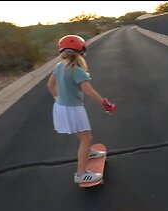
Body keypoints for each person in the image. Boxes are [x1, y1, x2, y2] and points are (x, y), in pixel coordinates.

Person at [47, 34, 116, 184]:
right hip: (73, 109)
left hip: (60, 107)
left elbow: (50, 86)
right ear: (81, 50)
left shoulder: (59, 66)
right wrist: (105, 104)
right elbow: (89, 92)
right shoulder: (77, 70)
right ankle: (81, 174)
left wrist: (58, 99)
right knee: (86, 138)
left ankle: (89, 153)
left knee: (81, 134)